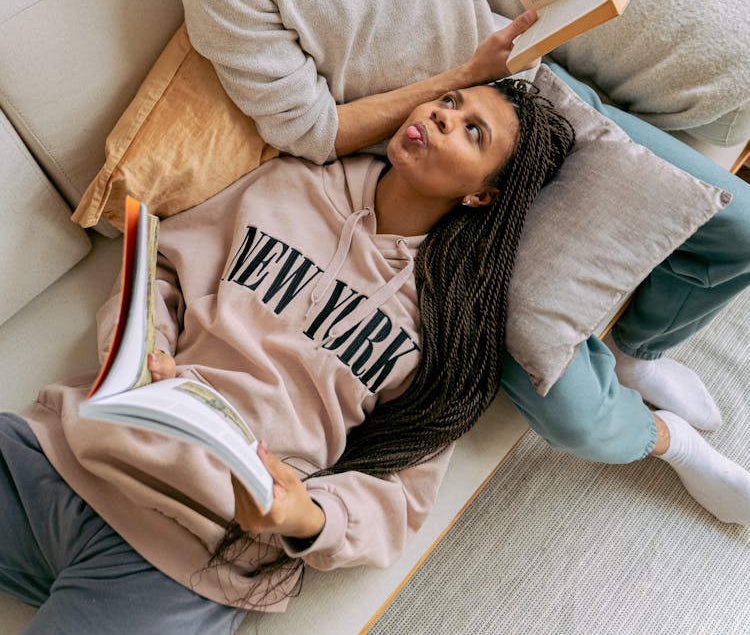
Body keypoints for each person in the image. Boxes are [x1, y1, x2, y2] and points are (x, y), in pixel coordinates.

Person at [180, 0, 750, 524]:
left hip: (528, 93)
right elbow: (309, 130)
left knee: (736, 228)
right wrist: (457, 79)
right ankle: (670, 441)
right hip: (429, 176)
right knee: (570, 408)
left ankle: (637, 348)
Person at [1, 79, 574, 630]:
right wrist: (147, 354)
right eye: (450, 100)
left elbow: (398, 497)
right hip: (64, 453)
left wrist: (307, 517)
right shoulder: (285, 183)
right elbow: (164, 268)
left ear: (481, 195)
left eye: (474, 132)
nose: (444, 115)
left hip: (194, 560)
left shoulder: (450, 328)